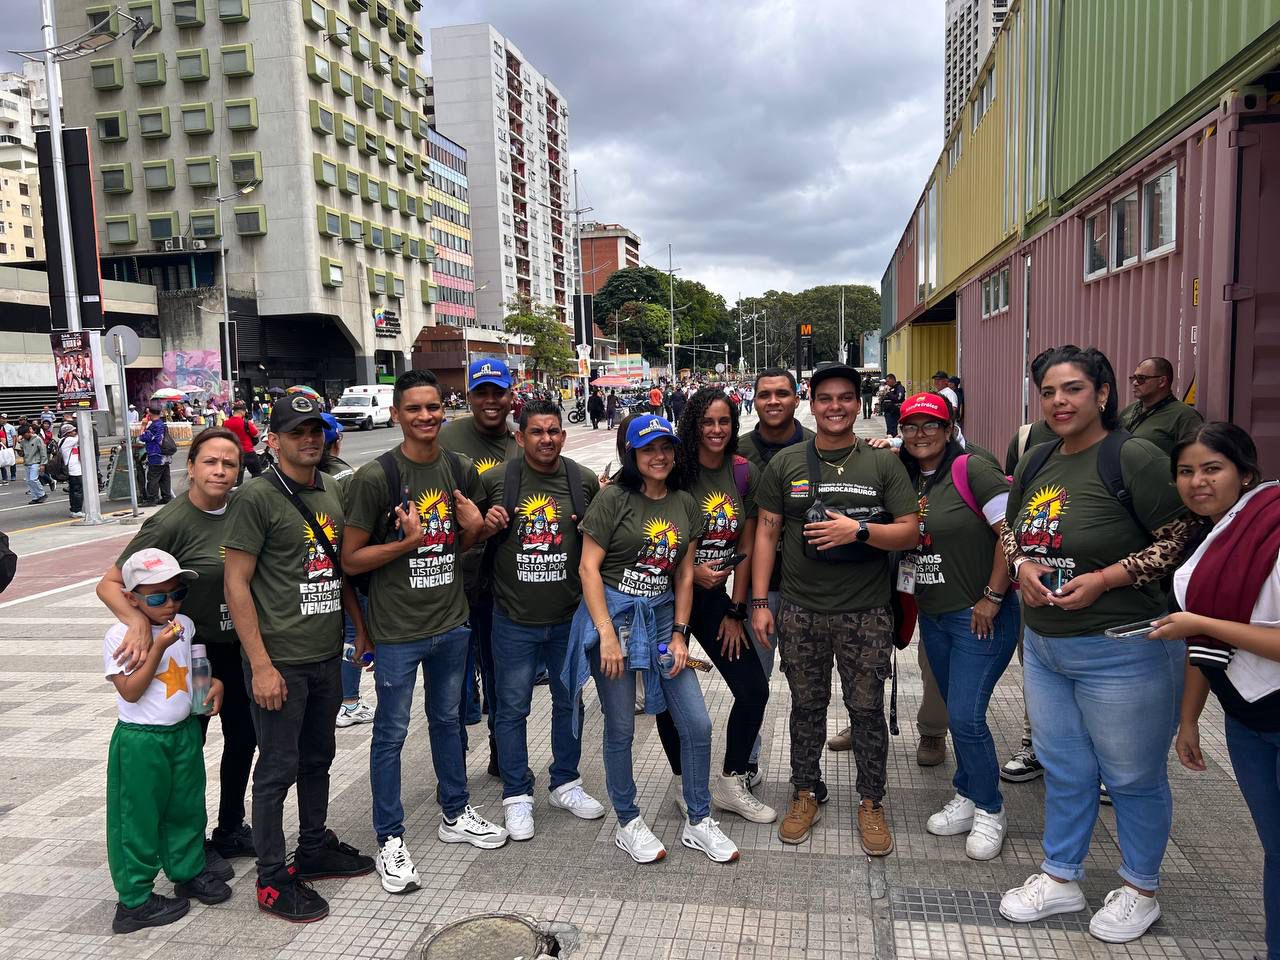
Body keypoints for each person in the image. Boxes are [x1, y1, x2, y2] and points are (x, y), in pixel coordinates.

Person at [998, 345, 1195, 943]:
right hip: (1048, 646)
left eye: (1074, 389)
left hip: (1124, 648)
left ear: (1103, 394)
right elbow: (1010, 528)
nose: (1060, 401)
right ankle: (1061, 877)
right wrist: (1020, 568)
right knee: (1065, 767)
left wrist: (1107, 578)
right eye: (1050, 391)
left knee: (1132, 774)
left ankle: (1140, 887)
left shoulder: (1132, 456)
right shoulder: (1037, 458)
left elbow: (1184, 537)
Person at [343, 369, 502, 896]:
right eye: (414, 409)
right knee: (390, 733)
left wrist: (477, 525)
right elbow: (351, 558)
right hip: (397, 631)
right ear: (397, 415)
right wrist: (406, 544)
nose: (426, 417)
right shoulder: (376, 478)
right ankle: (390, 837)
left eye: (433, 407)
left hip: (451, 623)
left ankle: (455, 811)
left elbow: (468, 539)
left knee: (449, 720)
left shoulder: (457, 469)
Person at [752, 361, 919, 854]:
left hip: (866, 612)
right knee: (806, 708)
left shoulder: (881, 462)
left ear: (858, 402)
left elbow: (909, 530)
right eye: (826, 398)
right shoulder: (787, 464)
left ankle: (871, 801)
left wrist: (860, 531)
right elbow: (765, 532)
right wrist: (760, 601)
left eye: (846, 398)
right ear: (812, 402)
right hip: (801, 610)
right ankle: (805, 792)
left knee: (865, 711)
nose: (836, 407)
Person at [223, 394, 375, 922]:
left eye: (316, 430)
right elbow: (236, 584)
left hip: (325, 655)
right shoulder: (256, 498)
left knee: (319, 758)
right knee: (276, 770)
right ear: (275, 438)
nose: (309, 440)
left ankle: (312, 847)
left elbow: (336, 571)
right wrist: (260, 665)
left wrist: (360, 630)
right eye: (297, 432)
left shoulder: (331, 490)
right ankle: (270, 878)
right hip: (279, 661)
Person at [571, 414, 740, 864]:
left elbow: (684, 573)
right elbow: (588, 568)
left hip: (663, 621)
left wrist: (682, 634)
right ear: (632, 454)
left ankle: (699, 819)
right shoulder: (612, 500)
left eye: (665, 447)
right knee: (622, 726)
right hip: (617, 620)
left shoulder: (685, 502)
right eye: (648, 449)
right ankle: (627, 821)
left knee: (697, 723)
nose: (659, 456)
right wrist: (605, 634)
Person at [97, 427, 258, 878]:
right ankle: (188, 845)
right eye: (210, 461)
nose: (220, 471)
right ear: (190, 467)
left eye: (230, 463)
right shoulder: (170, 521)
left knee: (244, 741)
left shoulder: (245, 507)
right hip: (191, 654)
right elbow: (110, 582)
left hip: (237, 648)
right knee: (188, 749)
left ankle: (230, 828)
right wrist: (137, 625)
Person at [1153, 423, 1279, 960]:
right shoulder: (1215, 533)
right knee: (1274, 850)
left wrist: (1196, 621)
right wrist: (1188, 720)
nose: (1197, 482)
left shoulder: (1270, 530)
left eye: (1212, 469)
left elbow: (1206, 626)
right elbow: (1204, 639)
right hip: (1246, 719)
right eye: (1186, 471)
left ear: (1245, 473)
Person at [892, 393, 1018, 860]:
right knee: (956, 710)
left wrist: (993, 596)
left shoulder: (972, 470)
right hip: (936, 616)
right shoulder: (908, 478)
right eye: (911, 426)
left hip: (979, 616)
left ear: (949, 430)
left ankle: (990, 808)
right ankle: (967, 791)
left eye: (931, 424)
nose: (920, 433)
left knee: (965, 717)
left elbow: (1010, 534)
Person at [478, 399, 607, 841]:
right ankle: (517, 794)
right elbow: (468, 538)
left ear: (563, 435)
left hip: (569, 620)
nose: (546, 439)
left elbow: (601, 539)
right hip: (513, 619)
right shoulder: (497, 481)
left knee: (570, 702)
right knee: (511, 708)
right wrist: (485, 526)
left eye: (554, 431)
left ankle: (565, 782)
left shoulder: (582, 480)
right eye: (537, 432)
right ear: (520, 436)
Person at [656, 387, 775, 825]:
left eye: (724, 421)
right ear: (693, 424)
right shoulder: (677, 471)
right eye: (707, 421)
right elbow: (651, 536)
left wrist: (736, 609)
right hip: (666, 598)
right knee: (670, 695)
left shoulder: (743, 471)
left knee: (753, 688)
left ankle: (731, 780)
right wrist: (686, 574)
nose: (716, 430)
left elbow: (747, 542)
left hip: (715, 601)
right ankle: (682, 781)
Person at [103, 548, 230, 933]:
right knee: (136, 817)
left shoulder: (185, 625)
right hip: (141, 740)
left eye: (178, 594)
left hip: (182, 733)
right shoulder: (119, 636)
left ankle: (187, 871)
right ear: (131, 599)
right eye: (158, 598)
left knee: (187, 807)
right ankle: (134, 900)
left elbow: (191, 673)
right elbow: (131, 691)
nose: (170, 604)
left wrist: (213, 686)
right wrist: (156, 646)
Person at [439, 358, 520, 767]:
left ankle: (499, 750)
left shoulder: (519, 443)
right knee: (452, 682)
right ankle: (453, 768)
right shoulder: (445, 438)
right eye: (482, 392)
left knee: (499, 674)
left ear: (511, 395)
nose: (490, 400)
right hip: (450, 580)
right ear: (468, 395)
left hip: (499, 581)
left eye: (498, 392)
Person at [740, 368, 818, 789]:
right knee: (753, 683)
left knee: (808, 688)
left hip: (809, 588)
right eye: (765, 394)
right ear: (753, 399)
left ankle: (806, 772)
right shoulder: (735, 452)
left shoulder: (817, 446)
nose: (773, 401)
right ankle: (746, 761)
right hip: (757, 590)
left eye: (782, 393)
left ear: (796, 397)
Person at [317, 414, 369, 729]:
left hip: (314, 575)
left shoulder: (300, 478)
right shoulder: (347, 477)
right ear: (338, 441)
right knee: (353, 633)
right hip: (347, 571)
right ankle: (348, 702)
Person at [1119, 357, 1204, 454]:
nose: (1134, 383)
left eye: (1141, 379)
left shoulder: (1185, 416)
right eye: (1133, 378)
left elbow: (1195, 457)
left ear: (1162, 381)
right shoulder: (1129, 410)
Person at [140, 407, 173, 505]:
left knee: (153, 477)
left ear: (150, 414)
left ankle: (152, 498)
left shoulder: (154, 426)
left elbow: (143, 437)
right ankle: (166, 496)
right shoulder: (162, 424)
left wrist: (143, 426)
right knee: (164, 477)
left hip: (156, 455)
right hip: (165, 455)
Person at [224, 400, 263, 483]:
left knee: (239, 475)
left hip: (234, 452)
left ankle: (238, 488)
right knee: (257, 474)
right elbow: (256, 434)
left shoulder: (226, 423)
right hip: (248, 452)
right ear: (242, 411)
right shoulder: (246, 423)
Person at [57, 422, 85, 518]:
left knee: (74, 490)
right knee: (77, 490)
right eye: (73, 431)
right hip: (74, 469)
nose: (75, 432)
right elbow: (81, 437)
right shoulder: (68, 440)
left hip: (72, 468)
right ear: (68, 432)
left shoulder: (63, 440)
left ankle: (74, 509)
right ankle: (76, 510)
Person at [18, 423, 47, 504]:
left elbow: (43, 451)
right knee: (29, 481)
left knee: (33, 479)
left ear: (28, 432)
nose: (24, 436)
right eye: (22, 435)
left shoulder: (37, 439)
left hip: (35, 462)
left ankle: (42, 494)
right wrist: (18, 443)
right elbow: (21, 452)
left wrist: (43, 464)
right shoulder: (23, 441)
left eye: (24, 434)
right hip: (27, 462)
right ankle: (35, 497)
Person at [881, 373, 906, 437]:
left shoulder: (899, 387)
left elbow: (899, 398)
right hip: (888, 411)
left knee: (892, 429)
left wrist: (889, 394)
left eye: (888, 381)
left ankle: (894, 442)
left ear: (892, 380)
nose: (887, 383)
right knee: (889, 429)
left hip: (894, 411)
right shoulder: (890, 388)